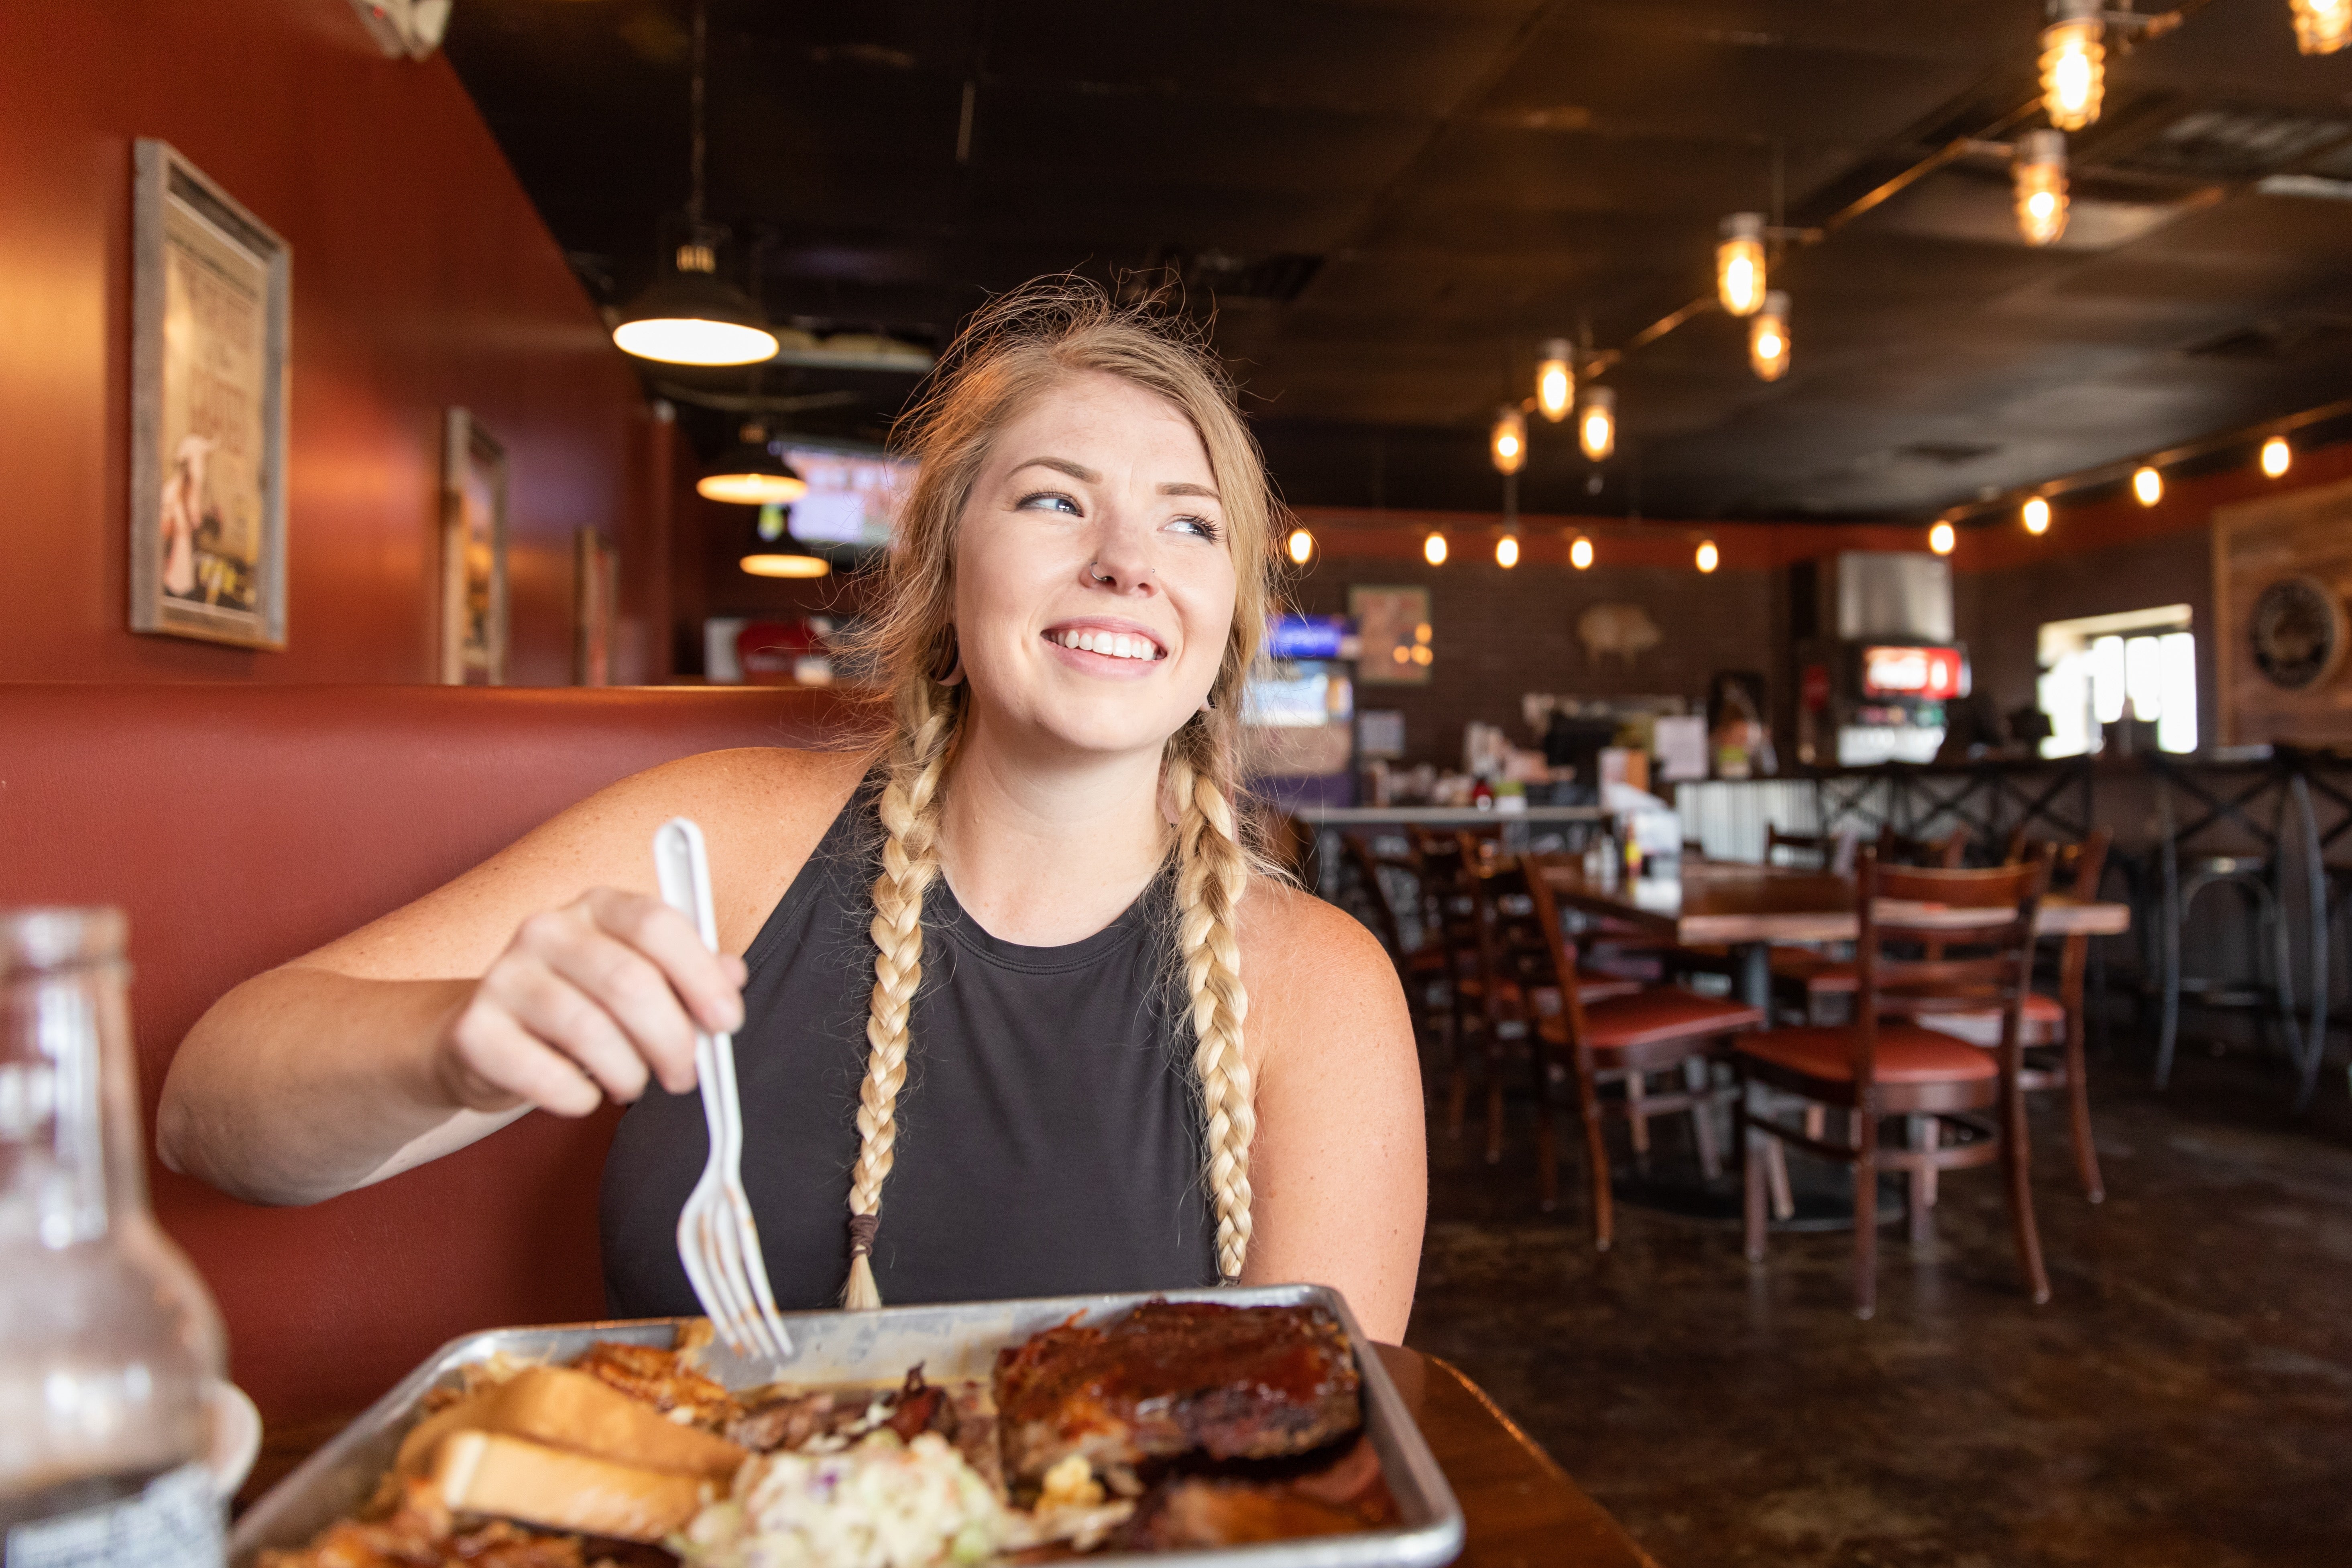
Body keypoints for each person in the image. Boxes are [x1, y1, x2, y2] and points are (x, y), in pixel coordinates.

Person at [157, 282, 1426, 1341]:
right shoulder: (720, 846)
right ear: (940, 565)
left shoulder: (1319, 987)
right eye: (1053, 498)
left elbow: (1317, 1469)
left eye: (1189, 524)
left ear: (1229, 619)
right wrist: (452, 1044)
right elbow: (208, 1109)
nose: (1125, 560)